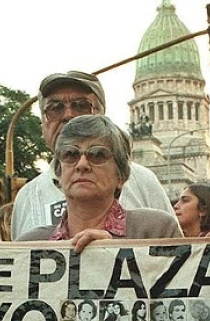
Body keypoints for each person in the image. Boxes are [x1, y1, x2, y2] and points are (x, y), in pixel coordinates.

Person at [11, 70, 173, 238]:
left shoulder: (145, 184)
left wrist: (114, 255)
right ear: (43, 122)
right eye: (55, 108)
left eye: (80, 105)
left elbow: (183, 259)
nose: (68, 115)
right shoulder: (26, 197)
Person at [15, 115, 182, 247]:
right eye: (70, 154)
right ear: (59, 174)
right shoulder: (30, 244)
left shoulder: (157, 230)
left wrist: (114, 256)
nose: (81, 165)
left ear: (121, 176)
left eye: (97, 155)